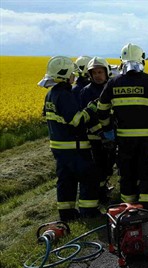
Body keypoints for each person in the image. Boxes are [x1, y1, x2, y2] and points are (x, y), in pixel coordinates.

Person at [97, 43, 148, 212]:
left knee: (127, 174)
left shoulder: (114, 83)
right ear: (142, 60)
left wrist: (107, 130)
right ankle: (147, 209)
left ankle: (127, 211)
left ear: (122, 61)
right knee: (147, 173)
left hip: (124, 139)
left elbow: (102, 109)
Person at [38, 56, 100, 221]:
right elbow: (76, 121)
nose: (74, 77)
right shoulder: (65, 95)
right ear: (64, 76)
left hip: (59, 147)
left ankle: (67, 214)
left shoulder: (51, 94)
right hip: (74, 147)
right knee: (89, 178)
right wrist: (91, 109)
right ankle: (89, 212)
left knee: (66, 181)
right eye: (72, 74)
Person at [80, 57, 115, 203]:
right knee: (99, 168)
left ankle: (104, 188)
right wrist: (101, 133)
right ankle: (100, 195)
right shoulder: (86, 92)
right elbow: (86, 118)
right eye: (94, 73)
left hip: (113, 135)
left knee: (109, 166)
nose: (97, 75)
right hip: (95, 139)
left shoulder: (112, 88)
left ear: (106, 72)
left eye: (100, 72)